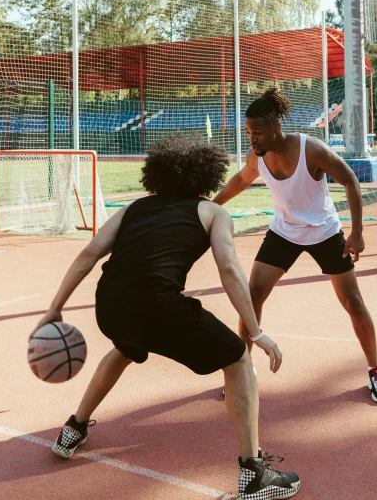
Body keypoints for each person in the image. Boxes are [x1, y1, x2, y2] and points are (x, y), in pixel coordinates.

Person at [32, 134, 301, 499]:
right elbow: (229, 270)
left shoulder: (134, 208)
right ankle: (253, 474)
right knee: (237, 359)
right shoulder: (212, 212)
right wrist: (254, 331)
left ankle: (74, 428)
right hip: (157, 307)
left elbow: (90, 252)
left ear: (156, 173)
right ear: (207, 175)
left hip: (109, 305)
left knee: (125, 347)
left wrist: (55, 308)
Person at [213, 87, 377, 404]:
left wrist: (357, 232)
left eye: (257, 132)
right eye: (248, 132)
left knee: (352, 301)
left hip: (324, 231)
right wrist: (213, 206)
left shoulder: (312, 150)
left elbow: (350, 180)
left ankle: (375, 369)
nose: (252, 139)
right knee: (252, 296)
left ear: (276, 127)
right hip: (284, 231)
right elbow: (242, 179)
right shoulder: (257, 157)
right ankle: (243, 369)